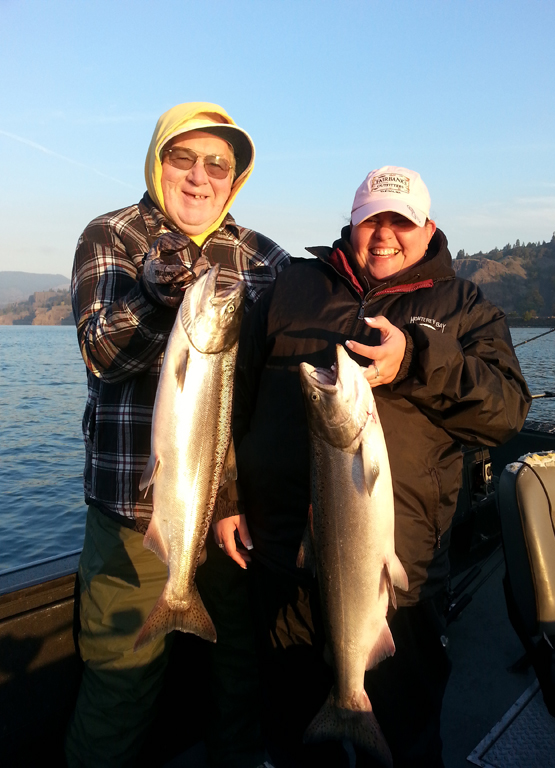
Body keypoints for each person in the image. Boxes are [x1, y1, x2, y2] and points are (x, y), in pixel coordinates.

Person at [214, 166, 531, 767]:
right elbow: (234, 399)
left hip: (398, 583)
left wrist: (417, 358)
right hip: (285, 563)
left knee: (409, 743)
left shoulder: (464, 305)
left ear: (428, 228)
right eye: (372, 220)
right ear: (352, 222)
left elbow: (507, 411)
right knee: (294, 741)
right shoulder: (292, 285)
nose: (384, 234)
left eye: (400, 221)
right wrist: (226, 497)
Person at [67, 102, 290, 768]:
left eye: (217, 164)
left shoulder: (265, 257)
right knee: (119, 685)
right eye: (181, 158)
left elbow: (278, 383)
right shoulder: (110, 235)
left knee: (240, 677)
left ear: (235, 177)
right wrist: (155, 295)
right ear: (156, 160)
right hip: (134, 516)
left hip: (234, 517)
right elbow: (102, 355)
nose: (199, 177)